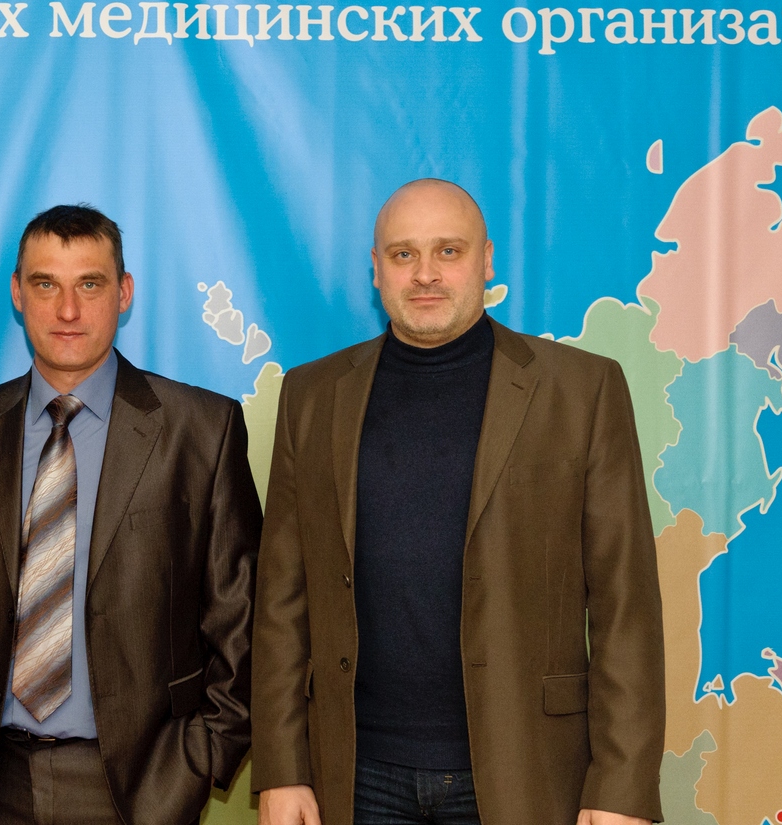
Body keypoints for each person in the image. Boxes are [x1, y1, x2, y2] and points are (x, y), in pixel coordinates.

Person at [251, 179, 665, 825]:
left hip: (526, 769)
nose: (425, 273)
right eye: (403, 254)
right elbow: (281, 599)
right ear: (376, 269)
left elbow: (625, 608)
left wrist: (621, 787)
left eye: (448, 250)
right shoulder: (312, 396)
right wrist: (282, 767)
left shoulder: (582, 391)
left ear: (487, 259)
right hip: (355, 775)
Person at [0, 204, 263, 825]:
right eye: (46, 285)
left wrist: (197, 764)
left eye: (90, 284)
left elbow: (239, 616)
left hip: (141, 788)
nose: (68, 310)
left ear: (124, 292)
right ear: (17, 293)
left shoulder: (201, 429)